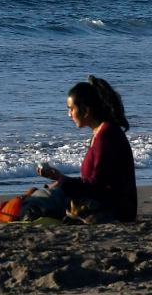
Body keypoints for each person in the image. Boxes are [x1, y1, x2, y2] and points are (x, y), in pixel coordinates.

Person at [38, 76, 137, 222]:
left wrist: (62, 182)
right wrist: (59, 178)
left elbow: (96, 185)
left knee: (62, 189)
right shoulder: (100, 133)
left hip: (118, 209)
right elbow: (92, 183)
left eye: (71, 109)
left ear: (86, 111)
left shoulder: (107, 135)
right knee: (59, 189)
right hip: (109, 202)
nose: (69, 114)